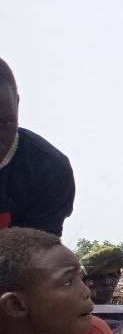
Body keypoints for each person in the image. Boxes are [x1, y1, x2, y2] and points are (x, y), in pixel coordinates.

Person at [0, 57, 75, 236]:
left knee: (60, 261)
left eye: (4, 123)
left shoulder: (49, 169)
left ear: (17, 104)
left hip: (13, 263)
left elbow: (38, 251)